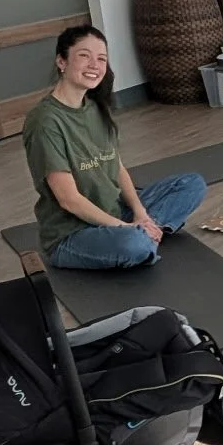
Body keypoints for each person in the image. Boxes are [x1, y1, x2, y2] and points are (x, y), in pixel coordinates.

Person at [22, 25, 206, 269]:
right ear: (61, 61)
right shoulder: (45, 121)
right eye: (84, 56)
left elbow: (117, 169)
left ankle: (147, 230)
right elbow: (68, 200)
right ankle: (145, 236)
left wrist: (139, 214)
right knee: (133, 244)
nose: (94, 65)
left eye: (101, 59)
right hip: (72, 234)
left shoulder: (96, 107)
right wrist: (125, 228)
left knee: (192, 184)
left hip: (115, 214)